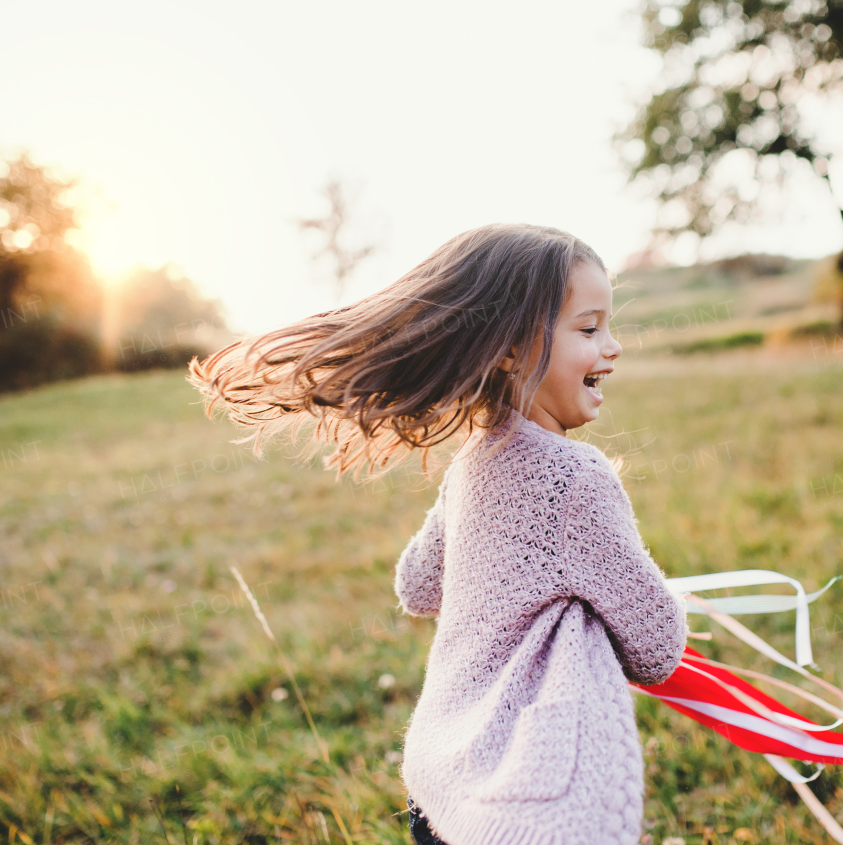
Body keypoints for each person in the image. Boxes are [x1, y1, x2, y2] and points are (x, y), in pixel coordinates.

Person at [188, 223, 689, 845]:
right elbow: (658, 645)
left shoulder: (474, 462)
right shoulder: (578, 477)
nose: (611, 347)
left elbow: (417, 584)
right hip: (531, 809)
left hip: (439, 788)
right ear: (509, 348)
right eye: (588, 329)